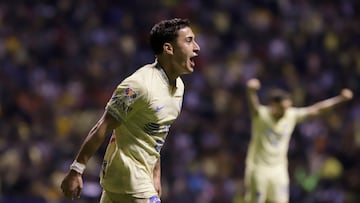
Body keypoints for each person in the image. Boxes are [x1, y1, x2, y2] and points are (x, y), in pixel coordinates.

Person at [60, 18, 200, 203]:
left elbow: (155, 134)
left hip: (132, 178)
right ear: (169, 48)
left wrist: (156, 174)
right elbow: (103, 125)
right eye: (189, 41)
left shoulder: (179, 87)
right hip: (130, 178)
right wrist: (76, 169)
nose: (196, 47)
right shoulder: (139, 85)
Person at [244, 78, 353, 203]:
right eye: (282, 108)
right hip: (258, 169)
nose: (286, 111)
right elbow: (253, 106)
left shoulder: (291, 115)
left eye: (287, 108)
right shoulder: (261, 116)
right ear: (273, 106)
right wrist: (250, 91)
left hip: (279, 170)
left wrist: (340, 99)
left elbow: (317, 109)